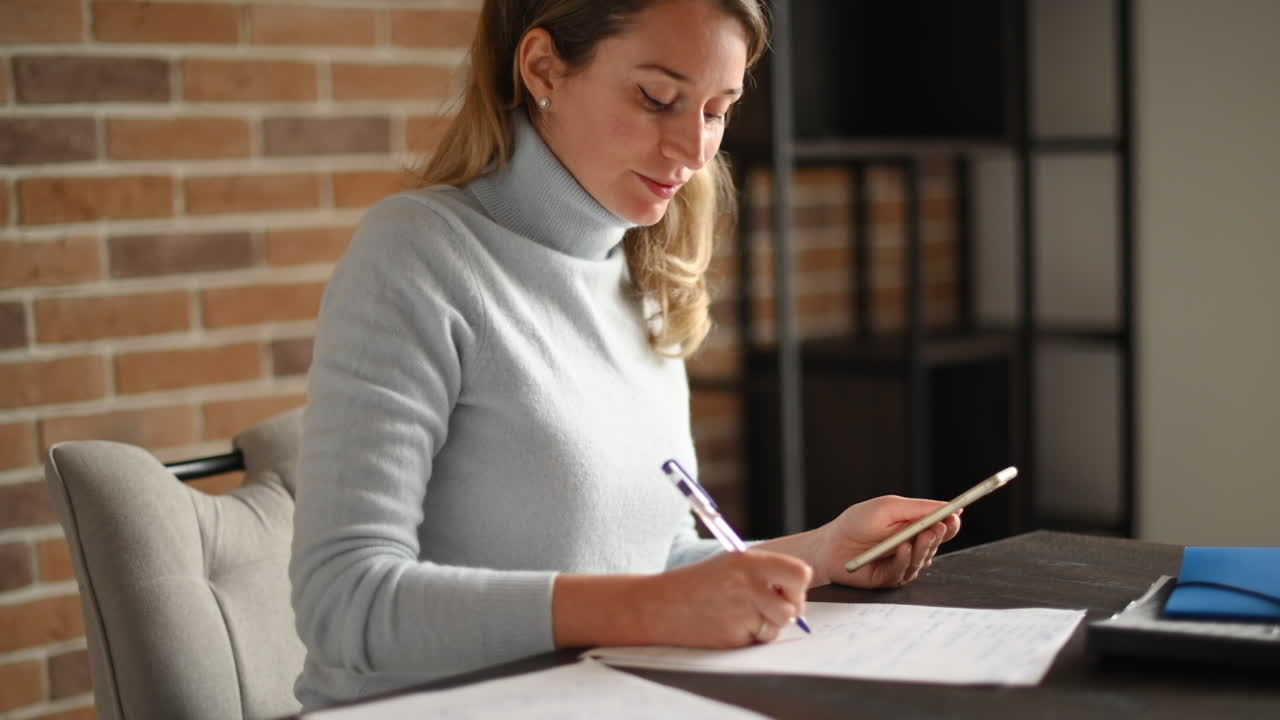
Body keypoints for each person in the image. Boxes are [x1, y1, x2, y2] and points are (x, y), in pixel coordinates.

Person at [290, 0, 962, 709]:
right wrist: (649, 609)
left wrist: (821, 554)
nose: (695, 150)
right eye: (658, 98)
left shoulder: (642, 274)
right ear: (543, 68)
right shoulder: (417, 255)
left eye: (717, 110)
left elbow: (653, 563)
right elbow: (344, 602)